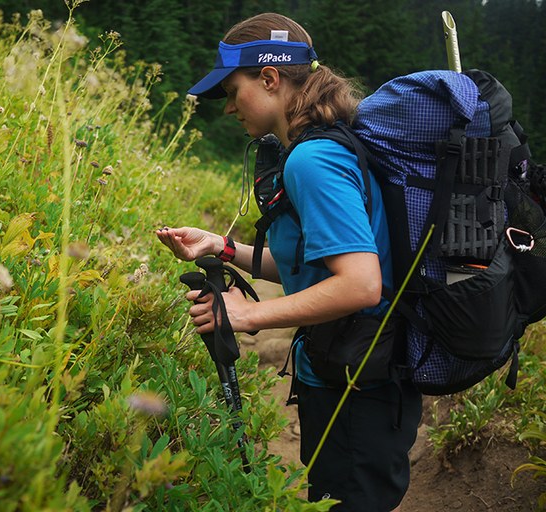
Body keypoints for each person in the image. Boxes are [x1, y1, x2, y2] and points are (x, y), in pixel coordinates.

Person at [156, 13, 422, 512]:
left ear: (270, 78)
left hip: (359, 382)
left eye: (233, 91)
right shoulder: (317, 147)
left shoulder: (311, 160)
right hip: (351, 370)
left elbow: (361, 285)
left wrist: (246, 315)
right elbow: (312, 265)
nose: (230, 107)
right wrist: (222, 247)